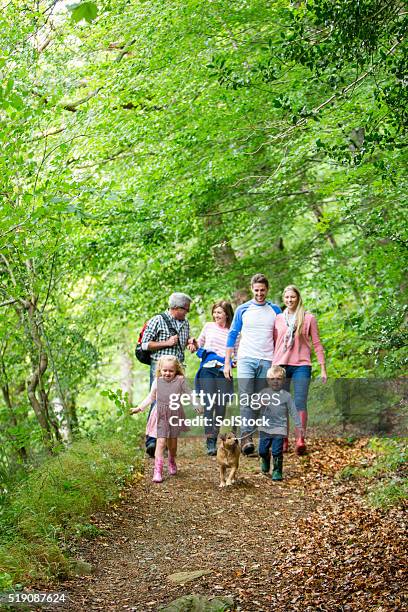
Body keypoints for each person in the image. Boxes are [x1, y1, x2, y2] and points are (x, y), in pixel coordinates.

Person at [224, 274, 282, 456]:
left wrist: (279, 362)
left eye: (262, 290)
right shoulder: (243, 309)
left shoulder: (275, 310)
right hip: (246, 358)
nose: (259, 294)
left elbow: (282, 335)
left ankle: (255, 435)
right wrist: (227, 362)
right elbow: (232, 334)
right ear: (251, 289)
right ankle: (247, 438)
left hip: (267, 359)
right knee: (246, 397)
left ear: (267, 289)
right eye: (256, 290)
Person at [140, 292, 197, 456]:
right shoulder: (157, 320)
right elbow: (144, 345)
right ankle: (152, 441)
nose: (187, 312)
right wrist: (167, 342)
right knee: (157, 400)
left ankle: (168, 438)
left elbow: (183, 342)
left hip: (178, 370)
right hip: (160, 369)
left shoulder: (185, 323)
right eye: (186, 309)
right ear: (176, 308)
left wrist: (190, 343)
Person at [273, 285, 327, 455]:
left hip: (302, 365)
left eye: (292, 297)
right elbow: (274, 344)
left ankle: (300, 439)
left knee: (299, 401)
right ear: (284, 299)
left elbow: (317, 344)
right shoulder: (278, 319)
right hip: (280, 365)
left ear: (298, 298)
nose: (289, 300)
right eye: (287, 297)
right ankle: (283, 440)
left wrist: (323, 368)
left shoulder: (308, 318)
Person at [130, 355, 200, 483]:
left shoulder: (180, 381)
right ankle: (158, 470)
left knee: (172, 444)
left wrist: (196, 404)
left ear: (176, 370)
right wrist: (139, 408)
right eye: (165, 370)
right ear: (160, 370)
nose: (167, 373)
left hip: (174, 414)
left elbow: (190, 394)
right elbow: (151, 397)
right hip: (160, 415)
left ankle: (172, 460)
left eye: (171, 371)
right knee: (161, 442)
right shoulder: (157, 381)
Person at [195, 300, 238, 456]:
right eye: (214, 312)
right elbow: (199, 345)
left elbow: (238, 353)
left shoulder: (234, 331)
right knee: (209, 405)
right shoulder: (208, 326)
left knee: (221, 407)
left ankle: (215, 433)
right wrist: (193, 345)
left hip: (224, 372)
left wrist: (233, 362)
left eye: (219, 312)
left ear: (226, 314)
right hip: (207, 370)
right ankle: (210, 441)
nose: (215, 315)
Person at [258, 366, 303, 480]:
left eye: (278, 379)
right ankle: (265, 458)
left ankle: (277, 470)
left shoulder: (286, 396)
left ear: (283, 381)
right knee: (262, 451)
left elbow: (293, 411)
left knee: (277, 451)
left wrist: (298, 425)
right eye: (272, 379)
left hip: (279, 428)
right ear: (268, 380)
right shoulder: (264, 393)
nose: (275, 381)